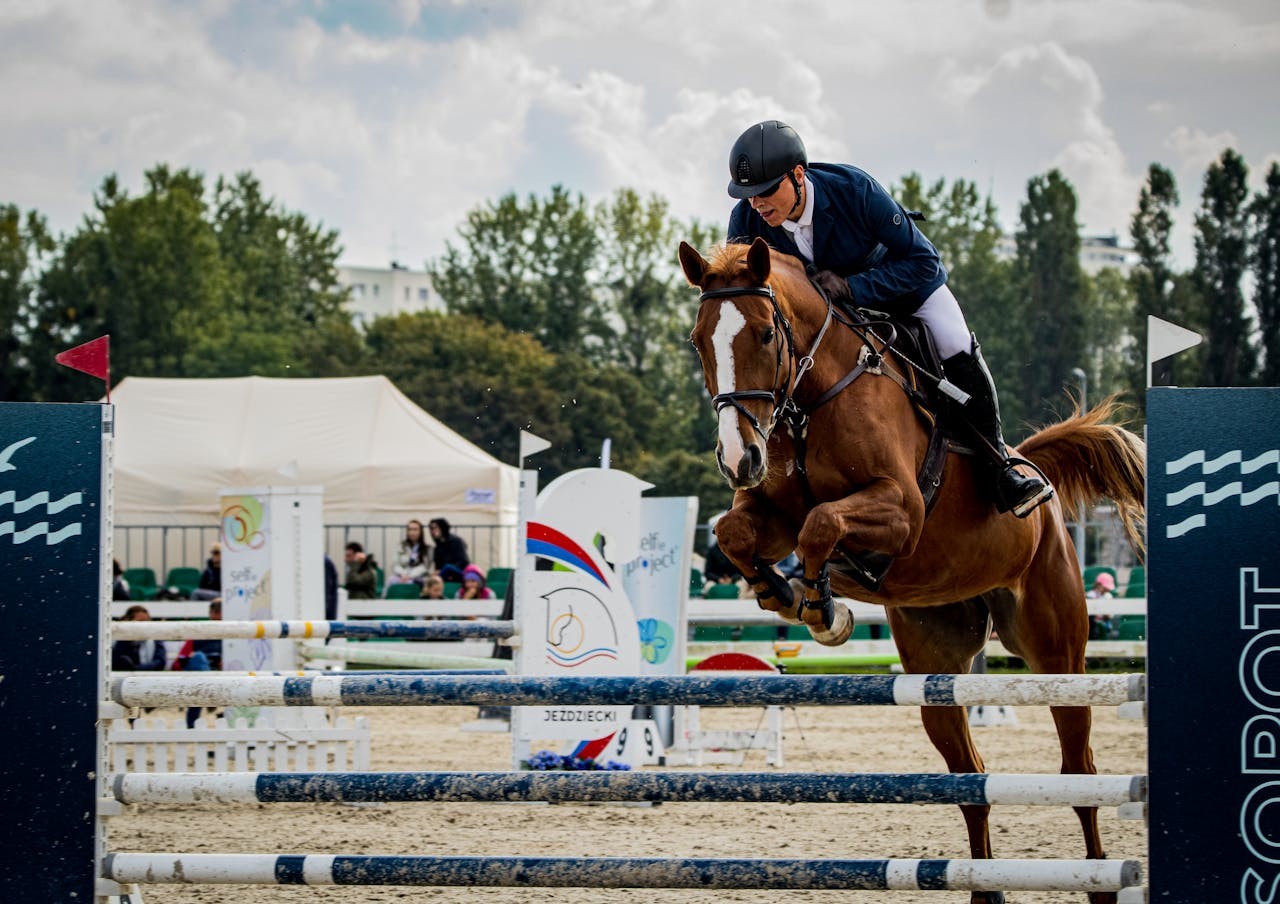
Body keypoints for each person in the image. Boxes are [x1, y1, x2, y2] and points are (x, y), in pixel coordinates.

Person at [723, 119, 1052, 518]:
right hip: (828, 318)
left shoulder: (855, 190)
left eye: (766, 191)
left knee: (954, 341)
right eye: (748, 195)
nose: (756, 204)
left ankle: (999, 465)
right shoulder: (746, 219)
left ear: (798, 175)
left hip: (900, 288)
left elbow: (925, 263)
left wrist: (854, 287)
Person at [111, 605, 167, 671]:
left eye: (147, 621)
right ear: (129, 621)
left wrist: (135, 669)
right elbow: (113, 662)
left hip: (147, 677)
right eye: (141, 621)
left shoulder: (156, 639)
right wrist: (125, 636)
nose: (145, 625)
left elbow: (160, 663)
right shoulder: (117, 639)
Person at [385, 519, 431, 594]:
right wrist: (403, 574)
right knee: (390, 580)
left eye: (415, 529)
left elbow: (425, 567)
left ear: (421, 532)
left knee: (413, 583)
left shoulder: (427, 548)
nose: (412, 532)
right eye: (410, 529)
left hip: (418, 577)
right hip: (401, 576)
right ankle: (384, 603)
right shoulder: (400, 546)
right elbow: (395, 564)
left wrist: (410, 575)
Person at [1086, 572, 1116, 640]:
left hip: (1104, 623)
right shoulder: (1090, 595)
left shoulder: (1108, 596)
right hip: (1092, 624)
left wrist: (1106, 614)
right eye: (1105, 587)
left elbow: (1110, 614)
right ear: (1098, 585)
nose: (1107, 589)